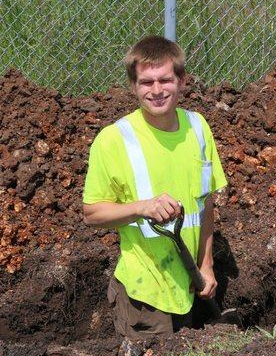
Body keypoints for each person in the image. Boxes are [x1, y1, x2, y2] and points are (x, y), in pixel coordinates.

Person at [82, 35, 227, 355]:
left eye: (165, 80)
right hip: (144, 293)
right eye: (147, 82)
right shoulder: (114, 140)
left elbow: (205, 204)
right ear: (133, 86)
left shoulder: (198, 128)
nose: (157, 90)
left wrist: (206, 265)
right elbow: (92, 213)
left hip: (188, 284)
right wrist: (142, 207)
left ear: (182, 80)